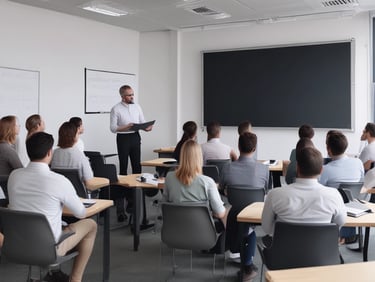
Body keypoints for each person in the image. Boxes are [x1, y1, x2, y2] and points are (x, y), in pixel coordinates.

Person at [8, 132, 97, 282]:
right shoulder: (58, 181)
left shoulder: (14, 176)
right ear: (49, 152)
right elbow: (81, 213)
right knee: (90, 225)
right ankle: (75, 279)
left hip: (18, 245)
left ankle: (50, 273)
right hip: (49, 248)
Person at [262, 147, 346, 239]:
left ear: (297, 168)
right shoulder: (334, 195)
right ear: (322, 170)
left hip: (285, 251)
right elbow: (340, 223)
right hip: (320, 251)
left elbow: (267, 229)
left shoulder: (275, 194)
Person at [163, 140, 227, 254]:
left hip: (175, 231)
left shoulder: (169, 177)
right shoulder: (208, 182)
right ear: (199, 158)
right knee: (227, 212)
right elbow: (220, 213)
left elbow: (165, 203)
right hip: (202, 232)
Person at [220, 132, 268, 281]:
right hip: (255, 213)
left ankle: (244, 261)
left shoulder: (227, 168)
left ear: (238, 147)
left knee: (239, 223)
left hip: (234, 211)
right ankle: (247, 264)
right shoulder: (263, 169)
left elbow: (222, 189)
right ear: (254, 149)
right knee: (249, 228)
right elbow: (265, 191)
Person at [110, 85, 153, 176]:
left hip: (135, 136)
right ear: (122, 96)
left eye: (132, 94)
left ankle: (137, 189)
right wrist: (126, 127)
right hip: (123, 138)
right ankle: (123, 190)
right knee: (123, 165)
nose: (132, 97)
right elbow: (113, 128)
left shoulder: (137, 106)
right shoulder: (116, 109)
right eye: (129, 95)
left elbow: (142, 122)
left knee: (137, 164)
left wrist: (146, 128)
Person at [51, 121, 93, 186]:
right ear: (74, 136)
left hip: (58, 192)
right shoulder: (80, 155)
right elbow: (89, 183)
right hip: (77, 194)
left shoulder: (53, 154)